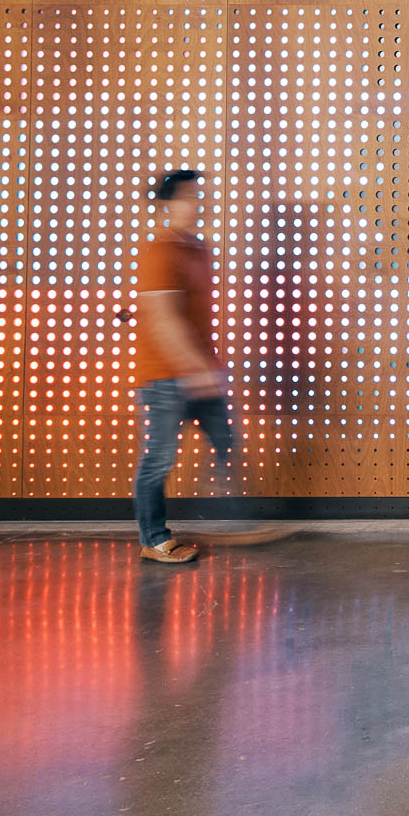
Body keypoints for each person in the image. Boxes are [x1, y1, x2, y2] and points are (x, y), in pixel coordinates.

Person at [132, 169, 237, 564]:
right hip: (165, 375)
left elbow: (195, 318)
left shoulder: (197, 248)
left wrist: (208, 367)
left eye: (198, 195)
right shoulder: (160, 252)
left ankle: (234, 523)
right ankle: (155, 539)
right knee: (158, 458)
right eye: (189, 196)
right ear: (169, 203)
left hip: (198, 372)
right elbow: (164, 320)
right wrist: (196, 369)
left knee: (225, 442)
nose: (197, 202)